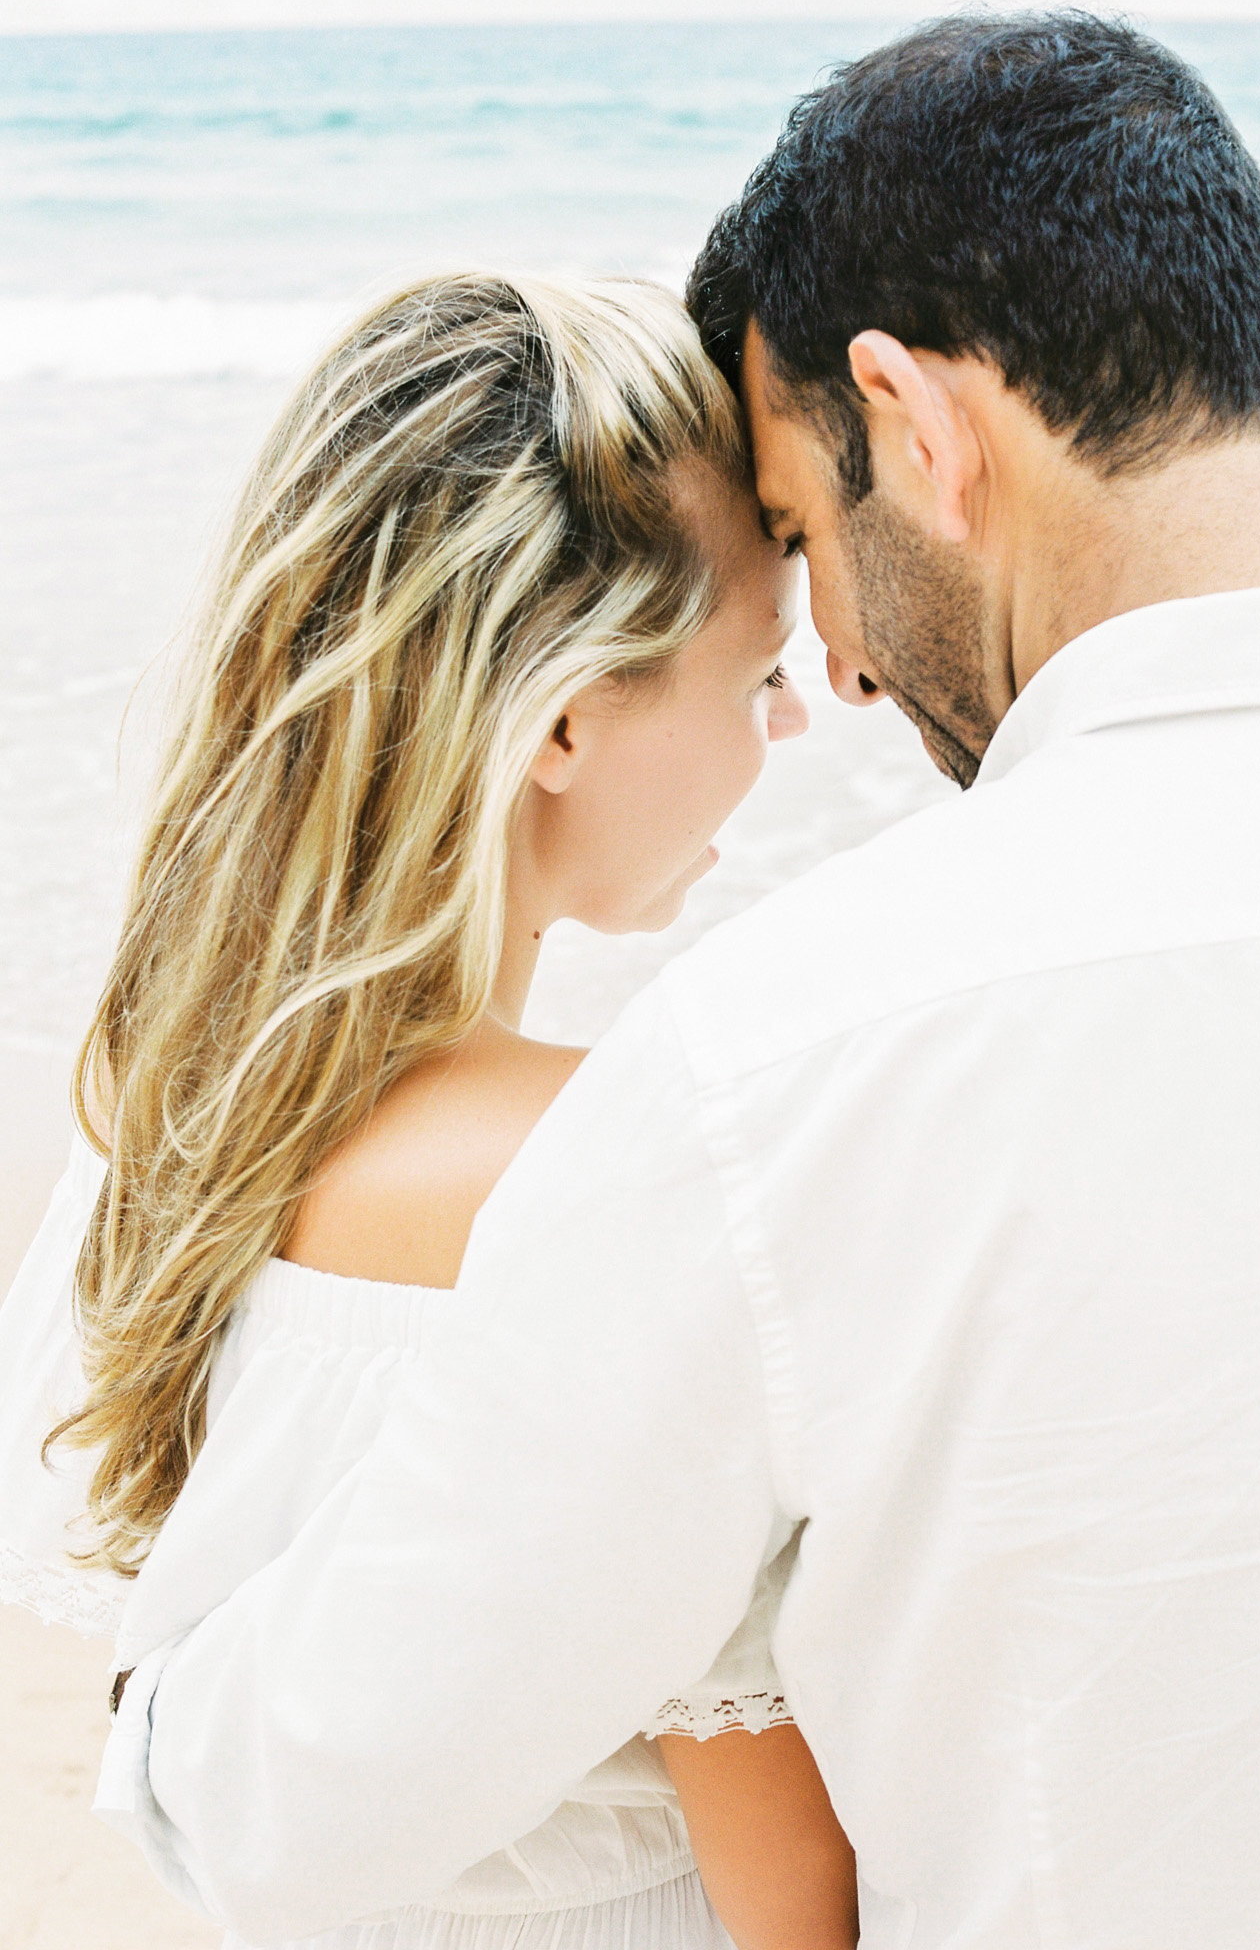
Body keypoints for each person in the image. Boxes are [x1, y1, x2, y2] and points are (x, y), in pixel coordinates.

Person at [25, 8, 1260, 1948]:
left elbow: (260, 1809)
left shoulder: (788, 1070)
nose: (852, 675)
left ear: (916, 423)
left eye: (807, 535)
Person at [0, 270, 864, 1950]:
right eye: (758, 672)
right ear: (557, 720)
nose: (793, 720)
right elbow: (802, 1902)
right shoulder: (615, 1180)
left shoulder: (164, 1130)